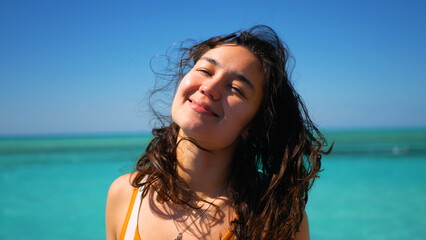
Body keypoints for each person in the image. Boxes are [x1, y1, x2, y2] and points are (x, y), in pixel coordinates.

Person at [106, 25, 331, 240]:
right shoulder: (126, 195)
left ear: (251, 126)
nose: (209, 88)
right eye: (205, 70)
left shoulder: (275, 217)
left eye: (236, 89)